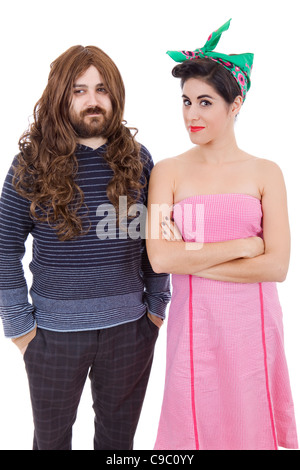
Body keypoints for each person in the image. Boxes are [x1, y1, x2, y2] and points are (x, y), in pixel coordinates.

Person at [0, 45, 170, 450]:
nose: (93, 101)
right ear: (61, 96)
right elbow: (5, 248)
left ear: (115, 96)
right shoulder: (30, 164)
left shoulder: (139, 160)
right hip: (53, 335)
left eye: (101, 90)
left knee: (118, 445)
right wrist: (20, 328)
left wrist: (157, 308)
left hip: (131, 330)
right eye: (79, 91)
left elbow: (156, 239)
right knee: (51, 442)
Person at [146, 19, 298, 450]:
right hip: (195, 331)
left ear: (236, 105)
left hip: (255, 328)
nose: (192, 114)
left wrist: (193, 257)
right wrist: (244, 247)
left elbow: (278, 266)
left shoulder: (267, 173)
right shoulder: (167, 172)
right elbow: (161, 259)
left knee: (252, 424)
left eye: (205, 102)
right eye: (186, 101)